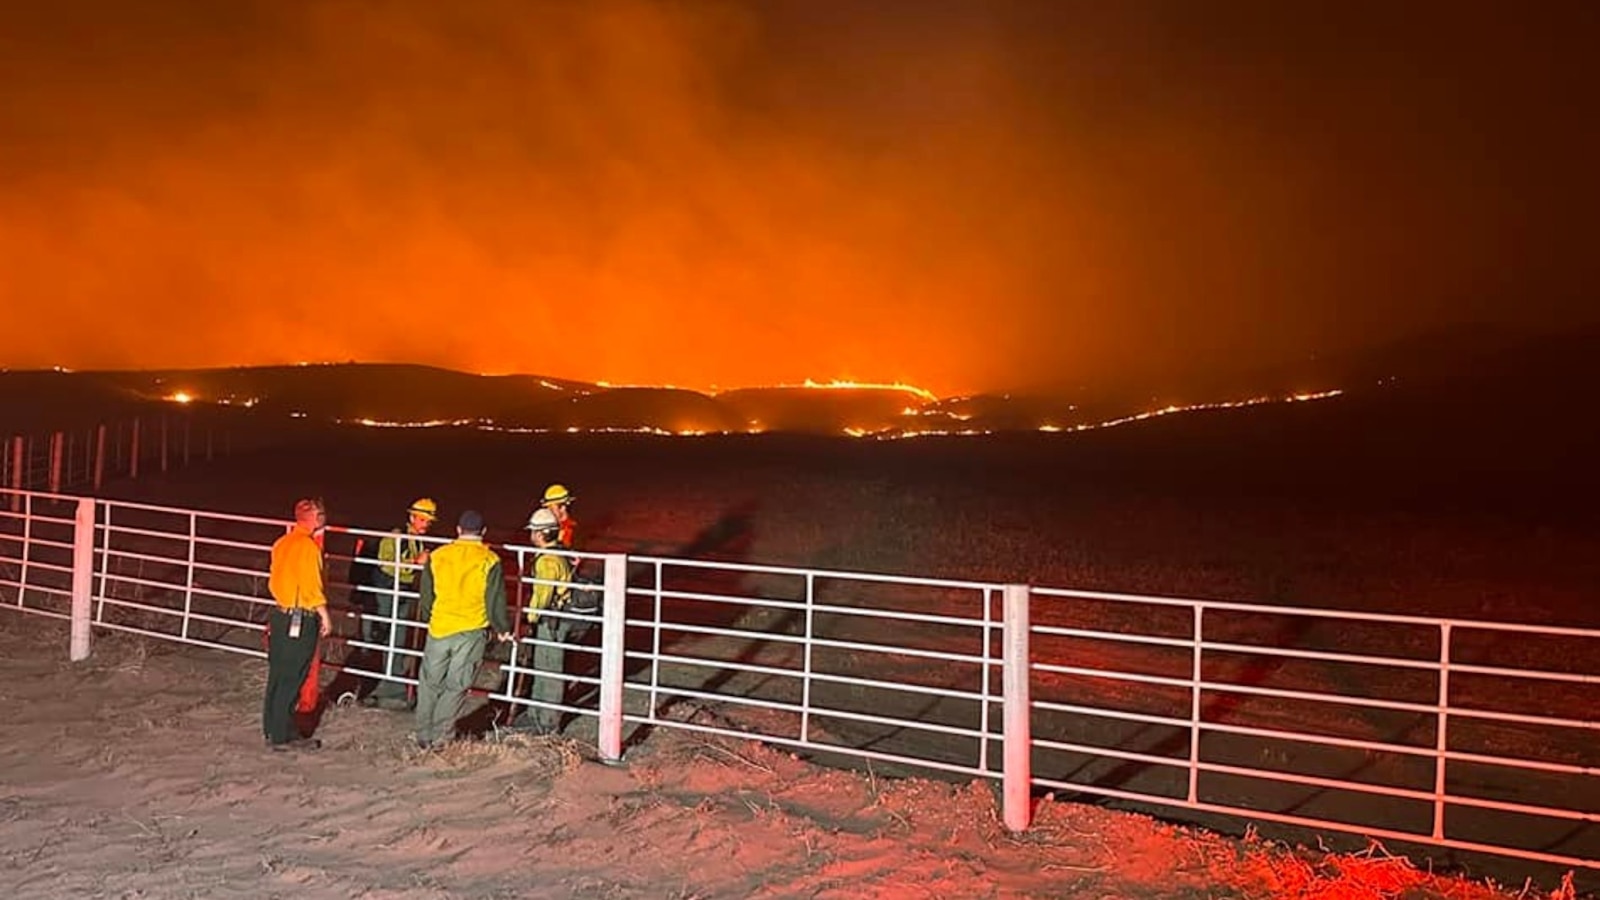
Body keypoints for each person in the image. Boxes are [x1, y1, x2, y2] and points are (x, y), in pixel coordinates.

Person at [414, 509, 511, 749]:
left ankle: (423, 734)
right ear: (483, 532)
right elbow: (495, 598)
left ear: (458, 530)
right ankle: (441, 736)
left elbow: (426, 594)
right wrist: (502, 627)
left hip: (440, 627)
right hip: (471, 629)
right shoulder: (490, 559)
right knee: (456, 685)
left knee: (429, 683)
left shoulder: (438, 556)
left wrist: (427, 617)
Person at [264, 497, 333, 752]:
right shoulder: (308, 547)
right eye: (321, 514)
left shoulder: (282, 543)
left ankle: (273, 727)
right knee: (294, 675)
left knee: (278, 673)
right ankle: (282, 735)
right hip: (299, 616)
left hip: (280, 614)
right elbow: (311, 586)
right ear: (314, 518)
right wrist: (324, 614)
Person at [362, 497, 438, 710]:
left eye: (428, 521)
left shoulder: (416, 540)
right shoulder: (396, 537)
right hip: (388, 590)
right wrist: (415, 563)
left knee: (397, 636)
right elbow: (386, 564)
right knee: (390, 635)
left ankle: (390, 683)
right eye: (422, 520)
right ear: (411, 517)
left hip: (401, 590)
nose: (425, 525)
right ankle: (386, 685)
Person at [509, 507, 575, 735]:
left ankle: (547, 722)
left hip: (550, 619)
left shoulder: (547, 560)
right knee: (542, 666)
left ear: (539, 534)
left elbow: (543, 595)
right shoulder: (560, 552)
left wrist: (530, 617)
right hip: (555, 617)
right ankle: (536, 714)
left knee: (549, 668)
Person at [539, 483, 577, 550]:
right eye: (559, 506)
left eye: (567, 506)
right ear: (548, 508)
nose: (564, 509)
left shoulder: (569, 527)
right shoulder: (542, 528)